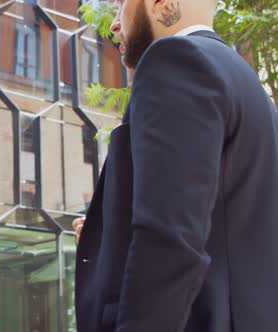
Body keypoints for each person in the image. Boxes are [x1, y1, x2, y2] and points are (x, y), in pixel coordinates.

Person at [73, 0, 278, 331]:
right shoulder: (250, 87)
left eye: (122, 4)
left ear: (160, 4)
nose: (114, 24)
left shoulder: (176, 62)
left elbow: (169, 242)